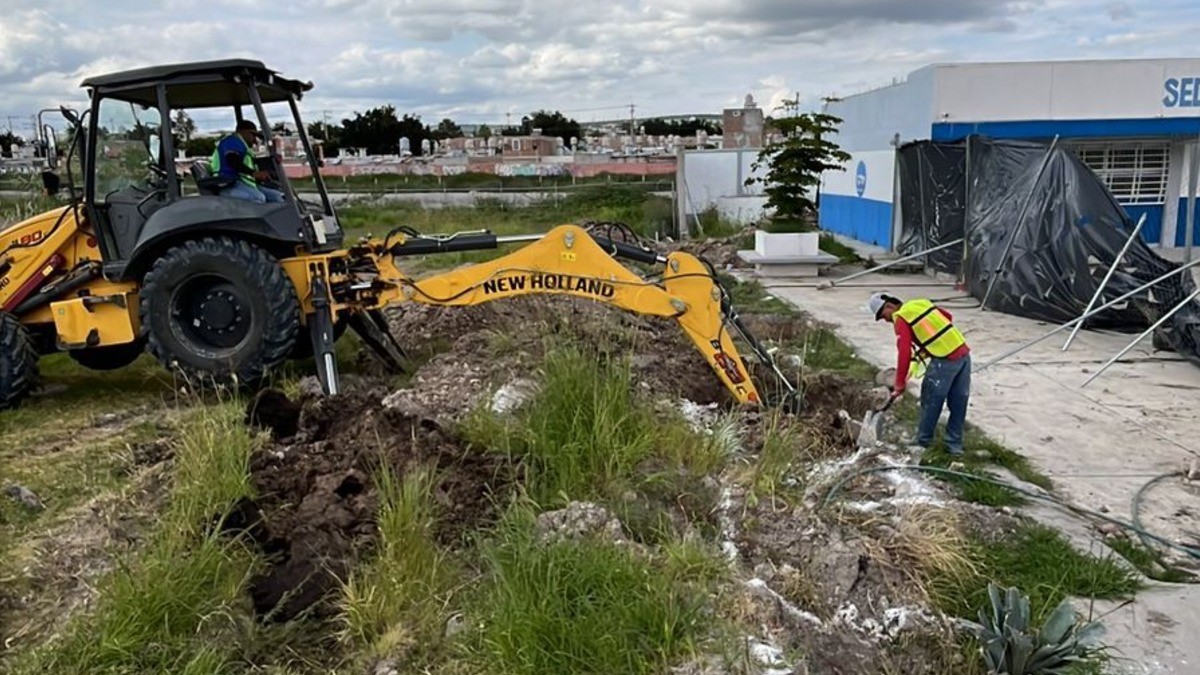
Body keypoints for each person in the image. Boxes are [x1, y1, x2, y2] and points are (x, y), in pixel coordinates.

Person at [869, 292, 971, 456]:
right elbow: (947, 317)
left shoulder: (901, 318)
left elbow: (904, 353)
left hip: (944, 360)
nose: (885, 320)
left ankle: (922, 443)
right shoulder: (920, 304)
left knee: (930, 399)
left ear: (889, 306)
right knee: (959, 401)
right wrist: (929, 344)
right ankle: (954, 445)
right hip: (963, 354)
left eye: (883, 315)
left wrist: (899, 384)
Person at [210, 119, 284, 204]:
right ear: (243, 132)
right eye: (253, 135)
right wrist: (253, 173)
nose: (255, 140)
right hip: (226, 184)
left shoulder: (242, 146)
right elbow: (232, 159)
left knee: (278, 197)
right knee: (257, 198)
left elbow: (248, 163)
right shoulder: (233, 141)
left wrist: (271, 162)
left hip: (242, 183)